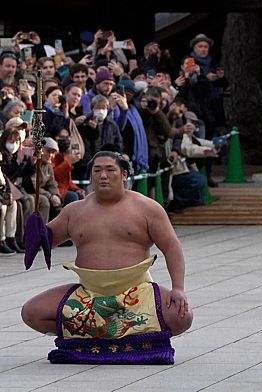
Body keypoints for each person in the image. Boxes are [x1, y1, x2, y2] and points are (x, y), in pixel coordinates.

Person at [21, 151, 193, 364]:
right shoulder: (74, 211)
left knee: (182, 317)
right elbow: (47, 240)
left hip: (136, 292)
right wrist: (36, 230)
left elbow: (172, 247)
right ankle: (97, 337)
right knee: (31, 313)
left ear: (124, 175)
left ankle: (96, 335)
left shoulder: (148, 208)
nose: (103, 175)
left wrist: (178, 288)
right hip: (89, 294)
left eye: (110, 170)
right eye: (97, 171)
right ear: (91, 176)